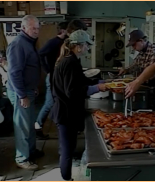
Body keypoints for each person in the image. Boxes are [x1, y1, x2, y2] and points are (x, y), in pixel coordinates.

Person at [50, 30, 106, 181]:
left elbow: (81, 80)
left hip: (68, 111)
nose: (88, 48)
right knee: (67, 152)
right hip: (65, 113)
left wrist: (101, 83)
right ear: (78, 46)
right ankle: (67, 179)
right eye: (87, 45)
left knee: (69, 148)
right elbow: (72, 91)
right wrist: (96, 89)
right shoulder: (69, 62)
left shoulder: (72, 60)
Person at [6, 15, 43, 170]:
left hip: (28, 90)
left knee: (29, 124)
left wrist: (33, 86)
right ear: (24, 28)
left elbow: (29, 69)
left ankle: (31, 151)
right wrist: (22, 95)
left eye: (38, 28)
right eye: (33, 28)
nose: (36, 31)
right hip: (20, 92)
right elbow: (14, 73)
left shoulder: (29, 42)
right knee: (23, 126)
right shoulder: (18, 44)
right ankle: (22, 158)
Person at [35, 21, 69, 140]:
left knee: (58, 101)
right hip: (53, 77)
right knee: (49, 103)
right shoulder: (54, 42)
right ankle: (37, 127)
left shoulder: (64, 43)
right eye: (69, 30)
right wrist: (48, 69)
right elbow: (41, 54)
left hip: (58, 76)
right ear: (64, 31)